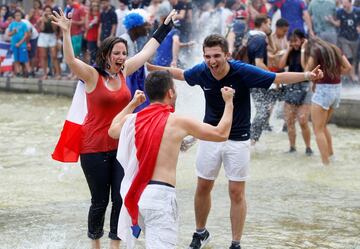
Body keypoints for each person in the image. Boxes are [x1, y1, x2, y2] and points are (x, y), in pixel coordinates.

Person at [146, 34, 323, 249]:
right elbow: (182, 75)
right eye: (207, 56)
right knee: (203, 186)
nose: (212, 61)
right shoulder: (202, 71)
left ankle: (235, 242)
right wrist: (154, 68)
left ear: (227, 55)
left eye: (217, 56)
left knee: (236, 192)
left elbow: (277, 78)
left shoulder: (242, 71)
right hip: (210, 135)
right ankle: (201, 232)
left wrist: (307, 75)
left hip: (238, 138)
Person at [51, 8, 177, 249]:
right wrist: (66, 33)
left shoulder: (125, 70)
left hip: (121, 146)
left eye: (124, 53)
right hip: (93, 148)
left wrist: (165, 26)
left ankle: (115, 245)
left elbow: (147, 50)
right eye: (116, 53)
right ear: (106, 55)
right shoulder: (91, 76)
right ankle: (94, 244)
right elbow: (70, 60)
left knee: (120, 198)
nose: (121, 56)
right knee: (99, 201)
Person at [108, 71, 235, 248]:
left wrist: (132, 104)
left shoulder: (133, 119)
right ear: (170, 93)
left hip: (138, 195)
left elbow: (112, 130)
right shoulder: (178, 122)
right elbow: (221, 134)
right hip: (160, 196)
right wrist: (229, 102)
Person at [303, 37, 352, 165]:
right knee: (323, 126)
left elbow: (306, 71)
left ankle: (325, 163)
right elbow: (348, 67)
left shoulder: (315, 51)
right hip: (336, 90)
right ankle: (331, 155)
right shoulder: (335, 49)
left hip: (323, 91)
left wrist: (304, 52)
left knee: (317, 129)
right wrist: (334, 72)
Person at [278, 29, 313, 155]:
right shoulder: (290, 52)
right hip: (291, 87)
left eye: (296, 41)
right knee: (290, 120)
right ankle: (292, 148)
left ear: (303, 40)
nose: (294, 44)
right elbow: (281, 65)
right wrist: (288, 49)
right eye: (291, 41)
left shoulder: (309, 53)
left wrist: (303, 49)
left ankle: (308, 148)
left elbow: (306, 69)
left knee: (303, 120)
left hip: (305, 88)